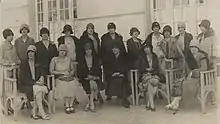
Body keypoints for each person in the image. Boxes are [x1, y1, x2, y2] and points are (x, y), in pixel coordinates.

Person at [19, 45, 50, 120]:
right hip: (26, 84)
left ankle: (34, 111)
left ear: (35, 53)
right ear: (27, 54)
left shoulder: (38, 62)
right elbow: (23, 78)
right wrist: (35, 83)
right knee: (38, 89)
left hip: (38, 84)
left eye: (32, 52)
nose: (30, 54)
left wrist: (42, 77)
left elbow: (43, 71)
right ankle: (41, 112)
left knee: (39, 90)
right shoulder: (23, 64)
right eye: (29, 52)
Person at [50, 44, 79, 114]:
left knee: (73, 84)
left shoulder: (69, 59)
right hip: (60, 78)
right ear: (58, 51)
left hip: (69, 77)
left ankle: (71, 104)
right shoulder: (54, 59)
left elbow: (72, 70)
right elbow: (51, 71)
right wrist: (62, 73)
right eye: (61, 51)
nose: (62, 52)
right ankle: (66, 105)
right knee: (65, 86)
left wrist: (70, 73)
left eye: (64, 51)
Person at [100, 22, 126, 100]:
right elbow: (102, 50)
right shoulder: (104, 38)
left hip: (118, 59)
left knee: (119, 75)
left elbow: (122, 48)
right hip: (108, 60)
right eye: (110, 28)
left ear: (115, 29)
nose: (111, 30)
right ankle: (109, 94)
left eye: (112, 28)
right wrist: (102, 60)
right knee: (108, 77)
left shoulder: (118, 37)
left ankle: (119, 93)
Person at [77, 43, 102, 112]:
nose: (88, 51)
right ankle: (91, 103)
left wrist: (93, 77)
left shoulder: (96, 59)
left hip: (95, 77)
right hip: (85, 78)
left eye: (90, 50)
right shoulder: (81, 59)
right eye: (87, 50)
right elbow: (80, 71)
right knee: (91, 85)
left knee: (92, 84)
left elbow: (99, 70)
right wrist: (87, 76)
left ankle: (89, 103)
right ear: (84, 51)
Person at [105, 43, 131, 108]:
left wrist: (120, 72)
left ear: (119, 49)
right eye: (113, 49)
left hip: (122, 74)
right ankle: (124, 99)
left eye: (116, 48)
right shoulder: (109, 57)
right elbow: (106, 68)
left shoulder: (125, 56)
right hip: (112, 75)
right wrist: (112, 73)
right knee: (118, 81)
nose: (115, 50)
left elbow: (127, 66)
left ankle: (124, 99)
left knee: (122, 81)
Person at [138, 43, 160, 112]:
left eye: (147, 47)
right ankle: (152, 104)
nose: (146, 49)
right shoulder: (141, 57)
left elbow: (157, 67)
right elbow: (137, 66)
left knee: (151, 82)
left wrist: (152, 72)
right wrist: (145, 69)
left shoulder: (154, 56)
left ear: (150, 48)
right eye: (145, 48)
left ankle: (148, 103)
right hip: (145, 75)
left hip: (154, 75)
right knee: (150, 84)